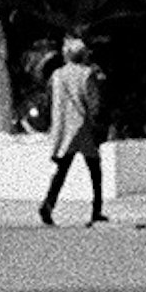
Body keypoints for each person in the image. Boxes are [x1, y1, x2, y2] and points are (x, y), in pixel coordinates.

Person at [36, 33, 108, 229]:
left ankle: (48, 204)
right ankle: (96, 209)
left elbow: (49, 101)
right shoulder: (87, 74)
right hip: (82, 127)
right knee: (95, 170)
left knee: (62, 170)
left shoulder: (57, 75)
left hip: (63, 128)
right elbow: (94, 103)